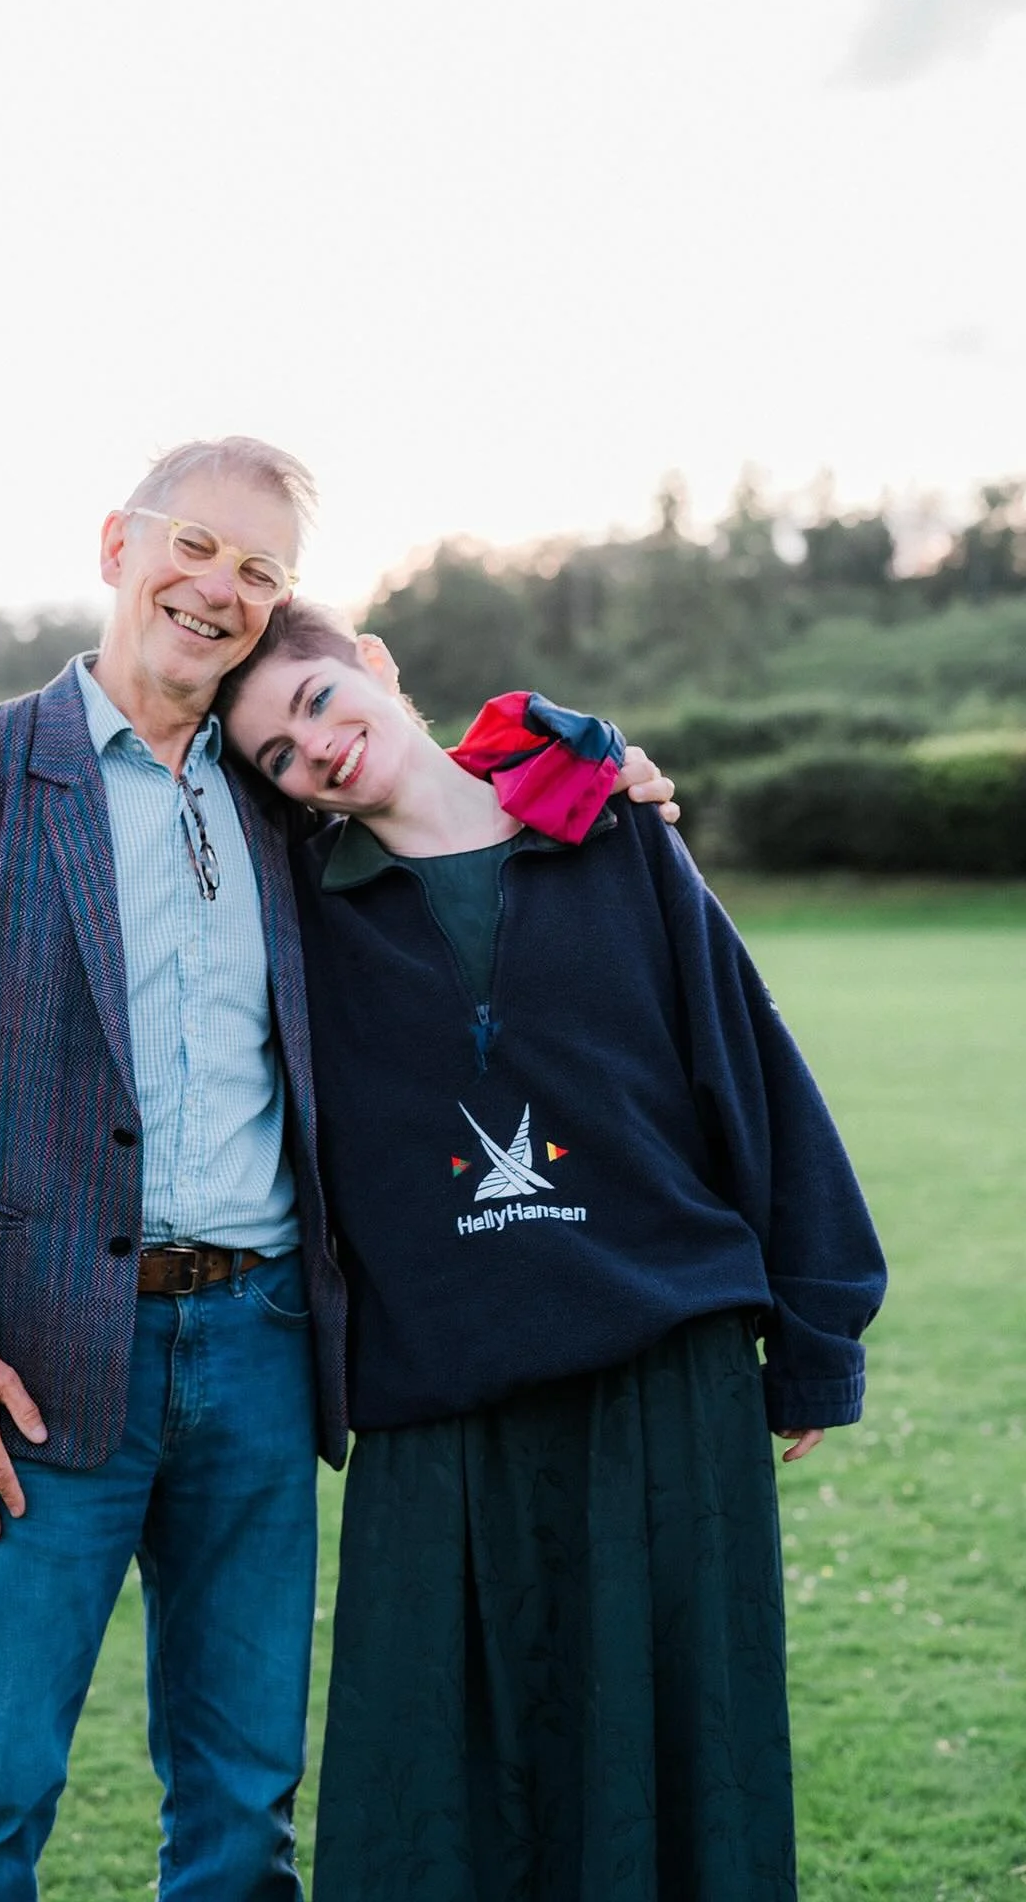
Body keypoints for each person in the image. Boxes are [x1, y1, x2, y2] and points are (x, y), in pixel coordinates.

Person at [0, 437, 679, 1901]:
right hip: (34, 1364)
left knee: (242, 1808)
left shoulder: (279, 793)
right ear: (118, 544)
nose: (219, 588)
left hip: (264, 1348)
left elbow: (437, 791)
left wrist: (599, 769)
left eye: (261, 570)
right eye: (195, 546)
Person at [216, 602, 888, 1902]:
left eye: (312, 704)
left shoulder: (615, 833)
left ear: (372, 665)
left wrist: (815, 1338)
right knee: (438, 1806)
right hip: (439, 1417)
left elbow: (746, 1068)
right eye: (278, 761)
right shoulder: (295, 917)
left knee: (685, 1778)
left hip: (663, 1384)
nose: (316, 753)